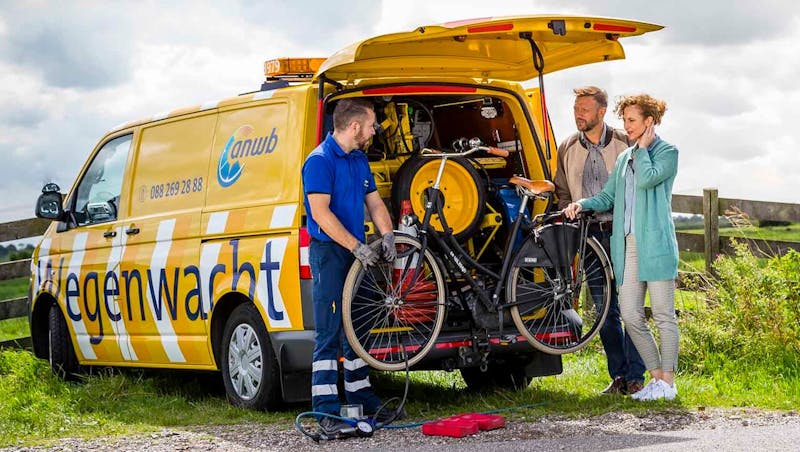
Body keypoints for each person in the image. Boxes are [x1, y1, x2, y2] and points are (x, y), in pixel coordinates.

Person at [565, 93, 679, 401]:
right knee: (629, 314)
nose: (626, 125)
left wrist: (641, 150)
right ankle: (655, 378)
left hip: (655, 245)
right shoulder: (625, 158)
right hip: (627, 245)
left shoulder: (667, 152)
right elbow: (608, 197)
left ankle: (668, 383)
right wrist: (582, 203)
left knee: (664, 315)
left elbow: (648, 180)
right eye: (625, 119)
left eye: (632, 120)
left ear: (648, 122)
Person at [302, 98, 403, 435]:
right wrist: (356, 247)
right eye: (372, 124)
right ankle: (326, 409)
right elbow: (320, 214)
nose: (375, 130)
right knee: (329, 331)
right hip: (331, 253)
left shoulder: (359, 160)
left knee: (356, 329)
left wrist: (388, 235)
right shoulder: (318, 161)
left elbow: (374, 203)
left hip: (357, 254)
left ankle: (362, 397)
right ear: (355, 126)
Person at [554, 86, 646, 396]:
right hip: (589, 237)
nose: (578, 114)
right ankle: (618, 376)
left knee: (632, 306)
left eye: (584, 109)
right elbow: (562, 191)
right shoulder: (567, 146)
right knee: (606, 311)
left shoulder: (625, 141)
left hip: (623, 232)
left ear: (601, 112)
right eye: (576, 109)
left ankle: (636, 376)